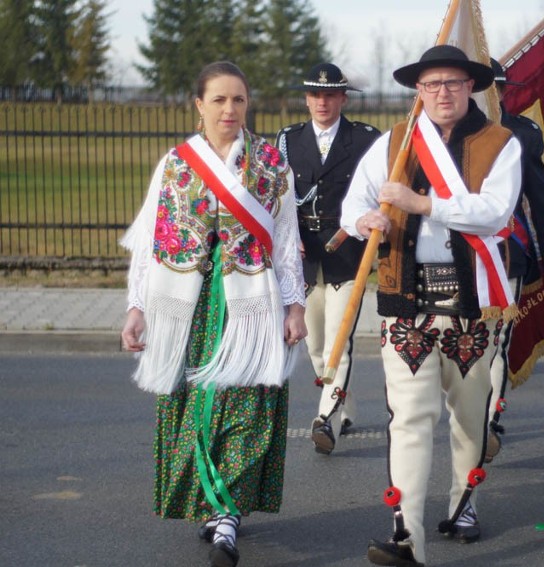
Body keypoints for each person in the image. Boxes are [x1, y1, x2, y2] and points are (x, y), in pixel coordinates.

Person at [120, 61, 307, 567]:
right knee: (199, 407)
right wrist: (137, 308)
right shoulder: (176, 164)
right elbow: (149, 245)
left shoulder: (270, 165)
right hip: (192, 307)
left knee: (247, 408)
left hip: (254, 306)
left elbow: (287, 245)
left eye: (239, 100)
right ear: (199, 105)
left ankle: (227, 511)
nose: (230, 109)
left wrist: (295, 306)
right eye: (220, 100)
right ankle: (213, 500)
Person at [341, 45, 522, 567]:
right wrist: (362, 223)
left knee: (469, 418)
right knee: (410, 418)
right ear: (417, 92)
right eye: (431, 84)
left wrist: (423, 204)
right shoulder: (395, 143)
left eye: (452, 82)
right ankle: (406, 535)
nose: (442, 92)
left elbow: (494, 212)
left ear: (471, 87)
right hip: (406, 299)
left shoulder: (499, 143)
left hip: (473, 304)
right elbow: (356, 203)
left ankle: (463, 502)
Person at [275, 63, 381, 455]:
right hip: (305, 255)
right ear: (307, 99)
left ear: (343, 98)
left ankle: (326, 419)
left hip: (346, 251)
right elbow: (279, 197)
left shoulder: (364, 139)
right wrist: (286, 238)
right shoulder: (288, 140)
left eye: (331, 94)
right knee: (316, 346)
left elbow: (376, 193)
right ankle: (346, 404)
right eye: (315, 95)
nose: (322, 101)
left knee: (339, 340)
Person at [485, 58, 544, 462]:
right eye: (486, 86)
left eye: (498, 88)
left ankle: (490, 419)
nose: (492, 95)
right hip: (458, 259)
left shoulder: (523, 132)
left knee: (499, 341)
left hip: (508, 252)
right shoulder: (444, 132)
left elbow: (539, 198)